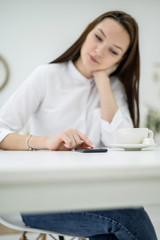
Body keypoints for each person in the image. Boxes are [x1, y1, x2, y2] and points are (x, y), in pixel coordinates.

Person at [0, 10, 157, 240]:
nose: (99, 51)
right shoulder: (46, 76)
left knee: (113, 233)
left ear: (120, 60)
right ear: (87, 33)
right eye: (98, 37)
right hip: (36, 198)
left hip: (90, 196)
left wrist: (101, 79)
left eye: (113, 51)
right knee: (129, 216)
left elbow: (119, 141)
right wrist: (46, 142)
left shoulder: (113, 89)